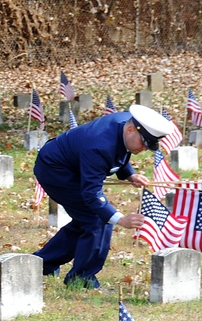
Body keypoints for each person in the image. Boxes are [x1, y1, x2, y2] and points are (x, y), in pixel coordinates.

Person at [33, 103, 174, 288]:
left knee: (88, 220)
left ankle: (42, 263)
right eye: (144, 143)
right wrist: (120, 219)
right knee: (97, 219)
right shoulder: (99, 147)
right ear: (131, 129)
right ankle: (82, 278)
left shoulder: (126, 125)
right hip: (55, 171)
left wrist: (128, 174)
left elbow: (122, 148)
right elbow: (91, 194)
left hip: (72, 164)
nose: (144, 149)